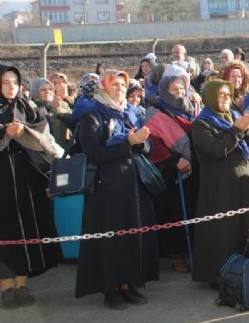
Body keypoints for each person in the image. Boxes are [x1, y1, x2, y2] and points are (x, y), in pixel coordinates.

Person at [75, 70, 157, 310]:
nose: (120, 88)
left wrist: (141, 142)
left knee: (130, 236)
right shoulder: (92, 115)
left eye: (123, 84)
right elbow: (94, 152)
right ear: (103, 88)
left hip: (131, 184)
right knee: (111, 240)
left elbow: (142, 147)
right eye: (115, 84)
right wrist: (128, 144)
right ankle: (111, 289)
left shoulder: (128, 113)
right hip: (106, 188)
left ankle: (128, 284)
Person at [0, 64, 64, 309]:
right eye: (5, 82)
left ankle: (23, 283)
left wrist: (25, 134)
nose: (11, 87)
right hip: (3, 178)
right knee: (5, 232)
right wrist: (5, 131)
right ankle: (6, 288)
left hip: (27, 178)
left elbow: (42, 131)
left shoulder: (26, 105)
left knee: (28, 228)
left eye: (14, 82)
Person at [191, 79, 249, 286]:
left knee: (244, 226)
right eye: (221, 94)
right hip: (219, 185)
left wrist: (246, 129)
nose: (226, 99)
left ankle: (245, 269)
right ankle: (220, 273)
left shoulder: (234, 116)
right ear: (211, 97)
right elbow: (216, 150)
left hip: (242, 181)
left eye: (228, 95)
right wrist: (236, 130)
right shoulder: (201, 123)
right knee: (223, 231)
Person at [143, 64, 200, 274]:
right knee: (175, 213)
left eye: (182, 89)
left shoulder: (192, 107)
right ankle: (177, 255)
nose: (180, 93)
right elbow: (153, 143)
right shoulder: (156, 111)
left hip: (194, 166)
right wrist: (174, 159)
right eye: (175, 89)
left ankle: (194, 248)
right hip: (173, 171)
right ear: (165, 89)